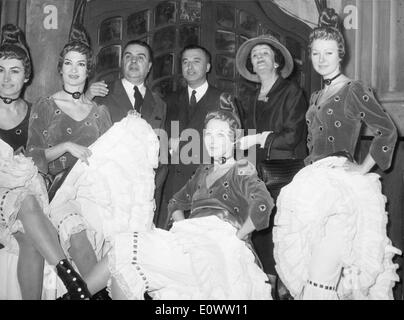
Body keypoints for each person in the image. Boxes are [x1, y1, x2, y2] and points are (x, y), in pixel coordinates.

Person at [75, 93, 274, 300]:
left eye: (221, 136)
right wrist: (184, 229)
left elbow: (263, 204)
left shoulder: (241, 167)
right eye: (209, 134)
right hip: (192, 241)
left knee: (129, 250)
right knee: (124, 264)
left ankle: (76, 294)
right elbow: (175, 202)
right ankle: (77, 294)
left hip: (220, 248)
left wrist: (237, 237)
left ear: (235, 139)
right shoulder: (204, 170)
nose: (213, 142)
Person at [273, 9, 400, 300]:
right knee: (310, 273)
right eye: (316, 53)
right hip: (312, 184)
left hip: (340, 188)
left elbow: (387, 130)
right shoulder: (317, 96)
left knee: (323, 277)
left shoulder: (354, 89)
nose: (321, 59)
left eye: (328, 52)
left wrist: (363, 169)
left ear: (340, 54)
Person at [0, 24, 91, 300]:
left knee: (29, 237)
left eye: (14, 71)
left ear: (26, 76)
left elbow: (41, 159)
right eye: (0, 70)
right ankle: (71, 278)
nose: (6, 78)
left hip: (28, 200)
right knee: (26, 201)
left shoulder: (33, 112)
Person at [26, 24, 112, 298]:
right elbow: (32, 156)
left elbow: (111, 160)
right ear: (60, 69)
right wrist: (64, 146)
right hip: (61, 190)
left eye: (81, 64)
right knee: (78, 235)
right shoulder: (45, 105)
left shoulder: (100, 112)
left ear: (89, 71)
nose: (75, 70)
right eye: (69, 64)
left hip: (96, 192)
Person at [235, 34, 308, 292]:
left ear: (276, 62)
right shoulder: (250, 96)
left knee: (283, 233)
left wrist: (258, 138)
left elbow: (291, 137)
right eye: (255, 56)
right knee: (261, 231)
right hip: (257, 174)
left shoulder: (291, 91)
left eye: (265, 53)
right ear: (252, 66)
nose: (260, 58)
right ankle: (268, 288)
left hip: (284, 174)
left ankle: (285, 288)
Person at [90, 40, 167, 225]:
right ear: (122, 62)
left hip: (143, 193)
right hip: (107, 190)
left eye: (140, 58)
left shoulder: (159, 103)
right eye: (128, 56)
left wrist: (154, 187)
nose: (134, 61)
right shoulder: (101, 93)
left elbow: (160, 152)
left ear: (148, 67)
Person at [160, 44, 238, 229]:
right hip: (173, 186)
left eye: (196, 61)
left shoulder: (223, 99)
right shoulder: (168, 100)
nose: (190, 67)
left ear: (208, 67)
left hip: (209, 187)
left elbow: (235, 143)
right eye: (185, 62)